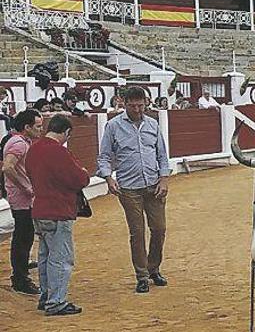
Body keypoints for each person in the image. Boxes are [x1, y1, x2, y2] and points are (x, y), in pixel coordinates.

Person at [97, 86, 171, 294]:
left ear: (146, 103)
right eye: (133, 106)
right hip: (128, 188)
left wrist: (164, 179)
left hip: (153, 184)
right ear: (124, 103)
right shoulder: (113, 126)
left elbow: (162, 156)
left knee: (159, 229)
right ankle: (142, 275)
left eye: (141, 105)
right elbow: (103, 156)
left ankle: (153, 268)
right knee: (137, 232)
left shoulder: (153, 124)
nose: (138, 110)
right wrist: (108, 178)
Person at [26, 114, 90, 315]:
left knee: (45, 256)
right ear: (66, 132)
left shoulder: (33, 149)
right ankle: (56, 302)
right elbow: (79, 179)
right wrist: (85, 173)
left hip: (39, 209)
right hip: (58, 211)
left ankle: (46, 296)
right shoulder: (60, 153)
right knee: (61, 258)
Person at [4, 109, 43, 295]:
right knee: (23, 236)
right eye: (37, 126)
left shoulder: (20, 142)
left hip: (21, 196)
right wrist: (26, 188)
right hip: (21, 197)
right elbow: (8, 167)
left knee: (25, 235)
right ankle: (19, 278)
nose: (40, 130)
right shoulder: (19, 144)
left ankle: (21, 270)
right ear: (26, 127)